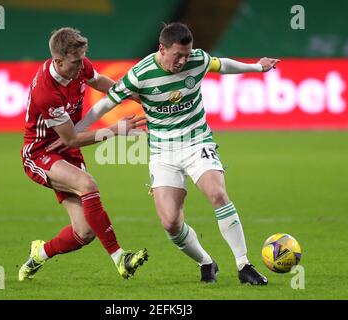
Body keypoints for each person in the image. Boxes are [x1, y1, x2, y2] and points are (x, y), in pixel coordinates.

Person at [49, 22, 281, 285]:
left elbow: (222, 65)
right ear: (162, 48)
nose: (183, 61)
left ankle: (243, 265)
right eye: (177, 55)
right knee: (170, 222)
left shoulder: (197, 60)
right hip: (163, 152)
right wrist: (75, 132)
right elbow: (105, 102)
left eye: (187, 54)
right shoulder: (140, 74)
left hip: (197, 141)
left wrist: (256, 67)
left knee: (217, 193)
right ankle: (206, 262)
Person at [18, 27, 148, 282]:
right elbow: (71, 138)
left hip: (66, 151)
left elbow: (99, 81)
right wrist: (115, 130)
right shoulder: (46, 91)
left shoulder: (78, 64)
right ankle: (120, 257)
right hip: (40, 152)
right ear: (58, 60)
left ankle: (39, 254)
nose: (81, 66)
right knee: (87, 184)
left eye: (82, 58)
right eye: (75, 62)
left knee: (85, 232)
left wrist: (134, 97)